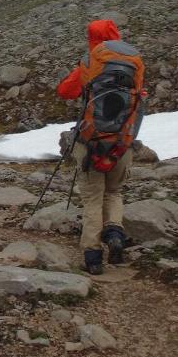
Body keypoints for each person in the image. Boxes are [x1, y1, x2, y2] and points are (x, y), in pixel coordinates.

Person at [56, 19, 145, 275]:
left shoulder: (90, 60)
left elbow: (65, 91)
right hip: (122, 142)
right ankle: (115, 232)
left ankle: (93, 257)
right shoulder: (135, 60)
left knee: (92, 199)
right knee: (114, 192)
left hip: (91, 142)